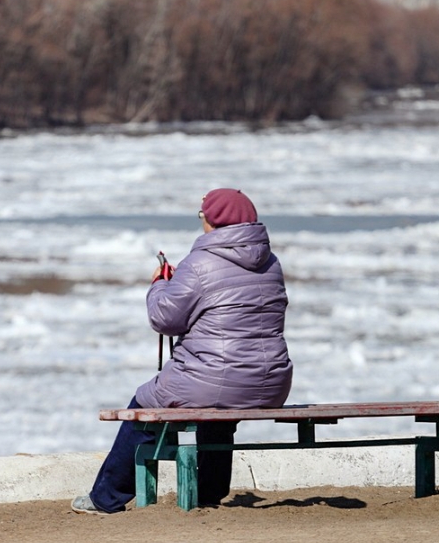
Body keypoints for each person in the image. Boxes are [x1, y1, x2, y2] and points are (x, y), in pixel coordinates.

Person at [72, 188, 293, 514]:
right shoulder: (271, 264)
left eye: (202, 216)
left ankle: (106, 498)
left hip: (213, 377)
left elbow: (164, 318)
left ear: (215, 221)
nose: (201, 221)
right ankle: (209, 492)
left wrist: (160, 285)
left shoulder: (201, 262)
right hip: (271, 381)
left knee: (144, 407)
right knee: (218, 410)